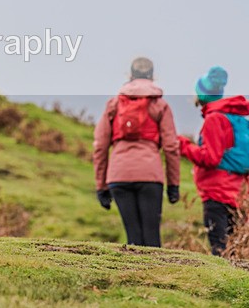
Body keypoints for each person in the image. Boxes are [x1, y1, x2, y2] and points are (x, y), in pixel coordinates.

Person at [93, 57, 180, 247]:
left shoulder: (114, 104)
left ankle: (134, 275)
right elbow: (171, 146)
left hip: (118, 175)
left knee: (133, 237)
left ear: (130, 75)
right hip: (150, 175)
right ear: (153, 76)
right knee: (151, 237)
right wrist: (174, 185)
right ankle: (158, 276)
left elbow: (100, 145)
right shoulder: (160, 105)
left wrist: (101, 186)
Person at [178, 66, 249, 256]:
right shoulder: (239, 120)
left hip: (217, 193)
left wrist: (183, 145)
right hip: (239, 194)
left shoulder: (214, 119)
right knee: (235, 249)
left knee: (220, 249)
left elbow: (210, 157)